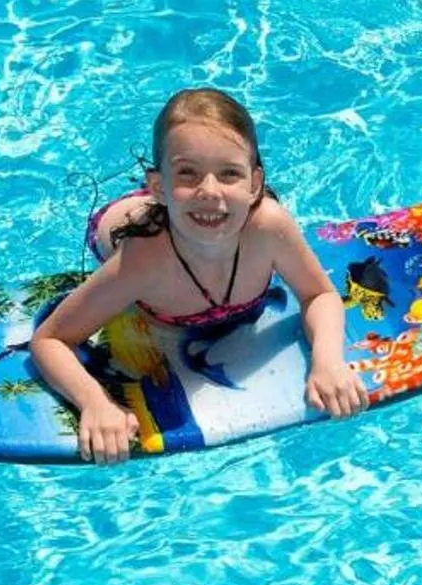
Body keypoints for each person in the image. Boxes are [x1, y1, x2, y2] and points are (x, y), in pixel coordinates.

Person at [31, 88, 366, 464]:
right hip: (135, 226)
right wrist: (95, 402)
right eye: (188, 172)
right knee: (144, 223)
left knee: (204, 203)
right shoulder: (142, 262)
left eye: (229, 173)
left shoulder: (269, 228)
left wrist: (328, 362)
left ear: (254, 184)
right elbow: (50, 339)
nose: (209, 190)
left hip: (183, 213)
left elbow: (319, 295)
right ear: (157, 186)